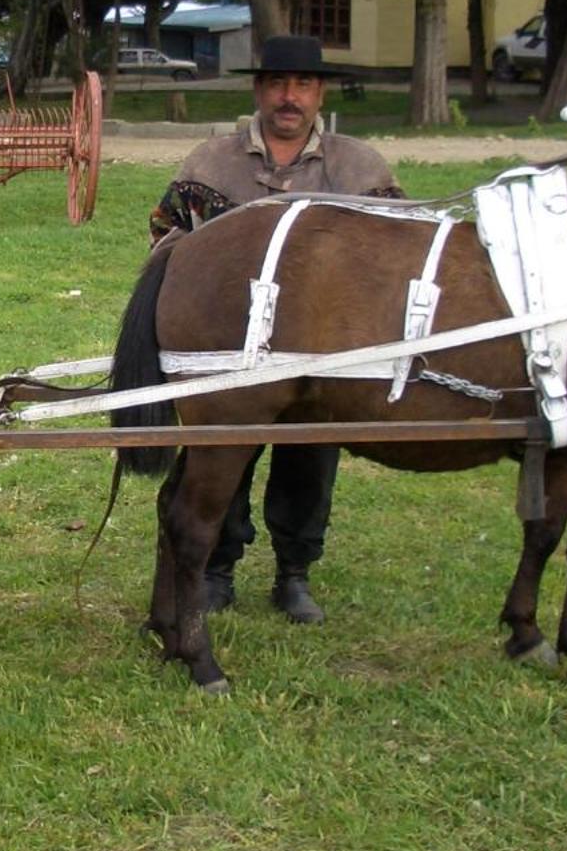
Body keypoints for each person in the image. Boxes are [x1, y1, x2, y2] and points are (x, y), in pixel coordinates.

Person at [147, 34, 404, 624]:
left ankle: (294, 573)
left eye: (303, 85)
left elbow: (398, 262)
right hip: (229, 355)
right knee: (219, 460)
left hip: (325, 358)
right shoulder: (210, 165)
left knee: (310, 464)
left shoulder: (360, 168)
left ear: (320, 93)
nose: (290, 97)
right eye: (278, 84)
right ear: (260, 89)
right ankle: (215, 570)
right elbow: (167, 246)